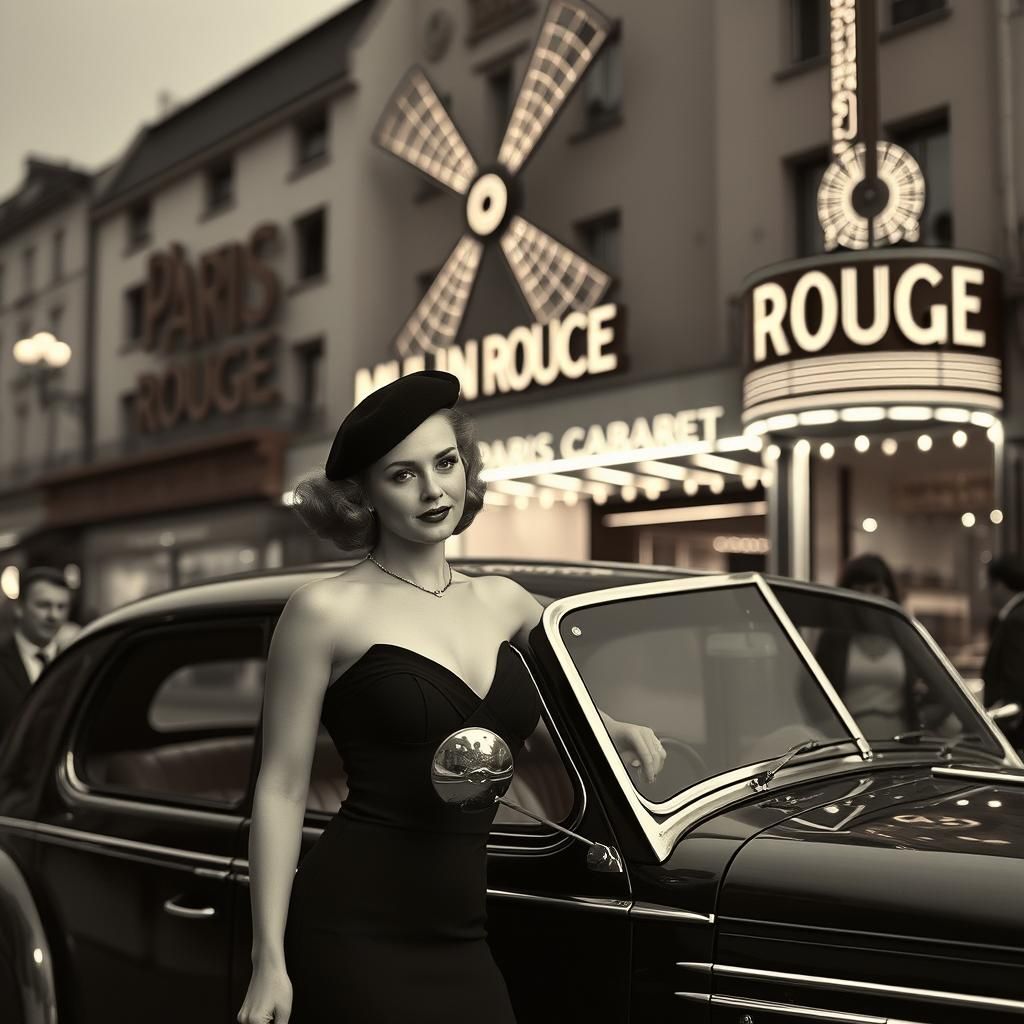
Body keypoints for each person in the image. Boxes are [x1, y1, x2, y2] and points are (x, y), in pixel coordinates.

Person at [237, 370, 666, 1024]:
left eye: (445, 463)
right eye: (402, 475)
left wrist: (616, 724)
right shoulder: (322, 611)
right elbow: (282, 788)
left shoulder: (505, 600)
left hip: (463, 932)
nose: (434, 489)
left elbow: (566, 688)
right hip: (353, 926)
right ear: (364, 496)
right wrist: (268, 956)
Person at [815, 554, 915, 739]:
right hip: (848, 744)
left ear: (889, 592)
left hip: (902, 746)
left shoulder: (904, 637)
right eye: (860, 590)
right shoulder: (833, 640)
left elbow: (937, 691)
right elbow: (811, 695)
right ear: (847, 595)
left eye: (876, 590)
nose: (868, 598)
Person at [0, 566, 75, 747]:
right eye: (44, 605)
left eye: (61, 607)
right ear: (19, 608)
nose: (53, 615)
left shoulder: (76, 660)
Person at [981, 553, 1024, 747]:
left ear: (999, 585)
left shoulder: (1015, 621)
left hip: (1015, 735)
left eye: (988, 584)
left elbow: (1015, 685)